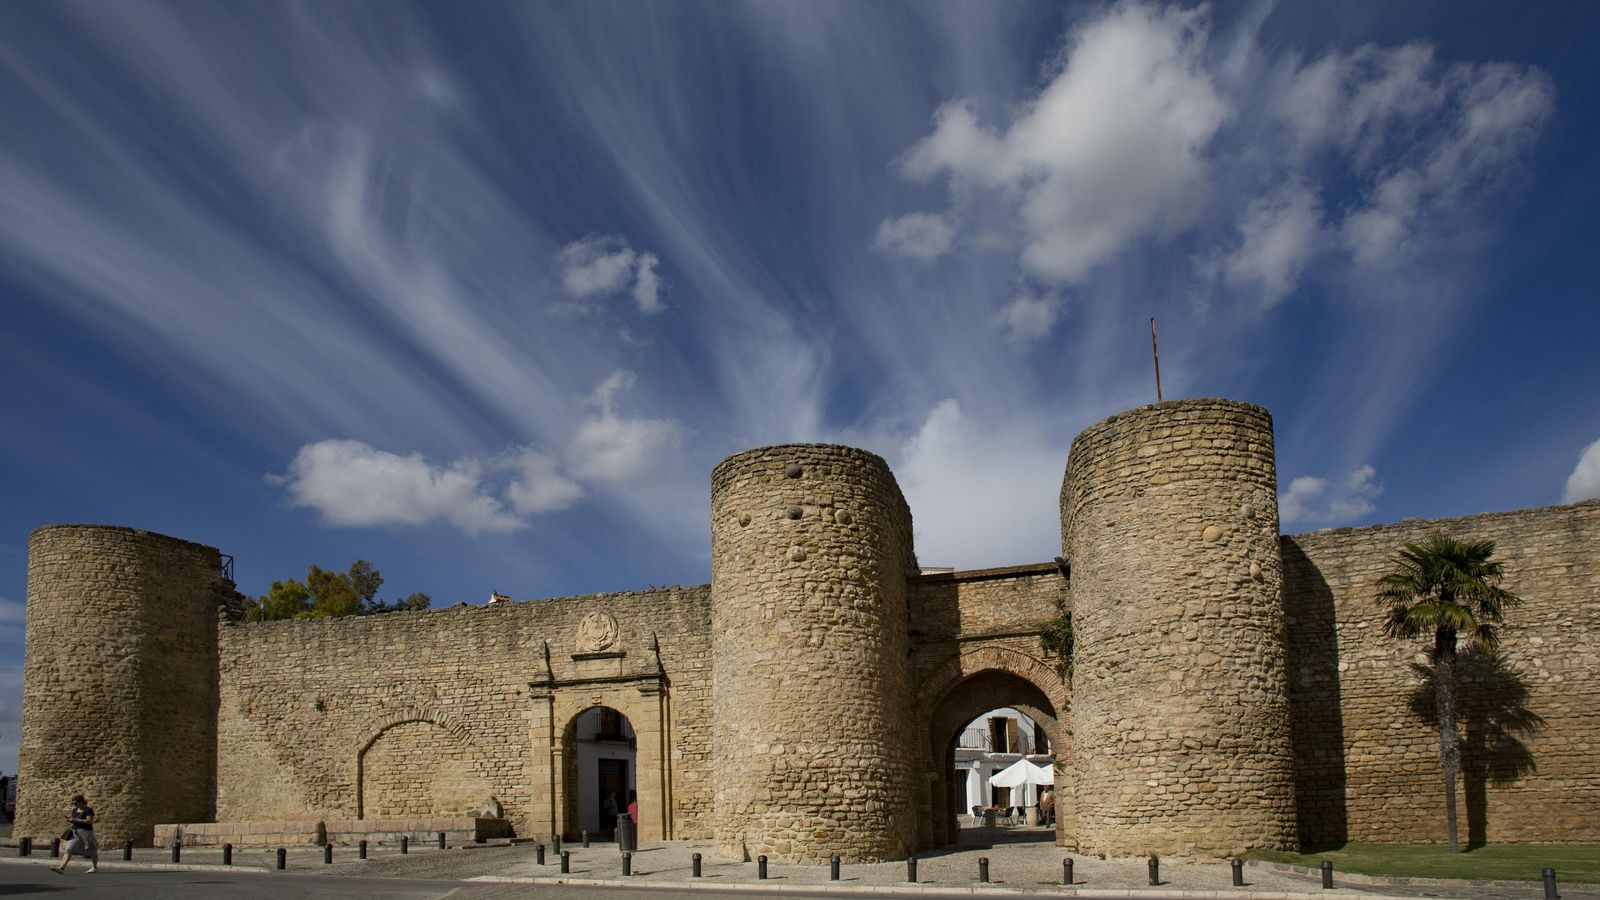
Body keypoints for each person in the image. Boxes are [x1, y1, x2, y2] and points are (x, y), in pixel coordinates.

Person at [51, 794, 97, 874]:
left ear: (82, 801)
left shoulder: (88, 810)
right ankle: (61, 867)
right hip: (75, 832)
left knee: (91, 850)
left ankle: (94, 867)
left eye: (76, 803)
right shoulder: (75, 810)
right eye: (74, 803)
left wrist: (76, 820)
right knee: (69, 849)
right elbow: (74, 820)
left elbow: (89, 821)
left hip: (86, 832)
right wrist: (70, 820)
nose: (75, 805)